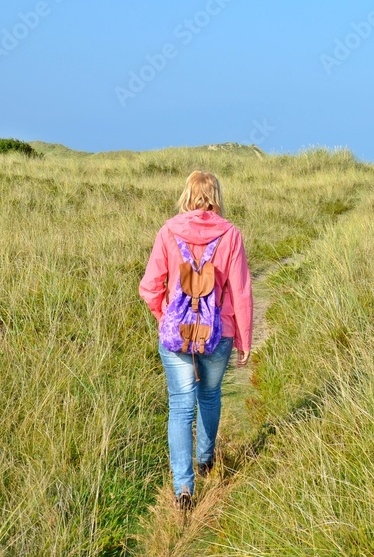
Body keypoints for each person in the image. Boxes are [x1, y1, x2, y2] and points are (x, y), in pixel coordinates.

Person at [139, 170, 253, 510]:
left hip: (177, 338)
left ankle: (183, 488)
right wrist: (245, 340)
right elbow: (242, 292)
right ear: (216, 196)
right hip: (220, 333)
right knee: (210, 394)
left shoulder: (168, 231)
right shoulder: (231, 235)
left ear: (187, 196)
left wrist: (166, 319)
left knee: (180, 406)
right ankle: (205, 460)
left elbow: (149, 287)